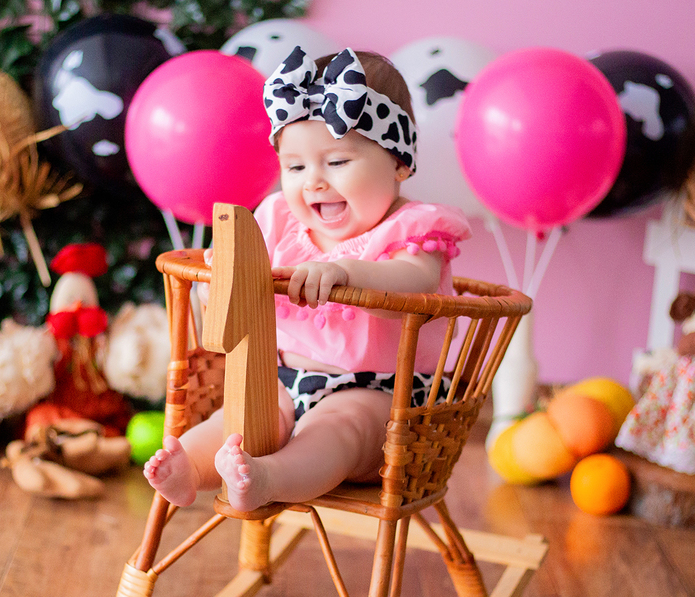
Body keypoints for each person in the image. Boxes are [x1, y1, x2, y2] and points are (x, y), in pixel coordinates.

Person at [145, 47, 471, 512]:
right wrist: (220, 274)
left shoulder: (412, 229)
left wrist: (346, 273)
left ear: (399, 163)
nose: (313, 182)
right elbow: (227, 275)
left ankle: (268, 480)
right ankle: (190, 468)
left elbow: (414, 282)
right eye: (296, 167)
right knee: (239, 414)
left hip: (382, 395)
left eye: (337, 162)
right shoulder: (279, 219)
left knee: (340, 430)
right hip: (283, 378)